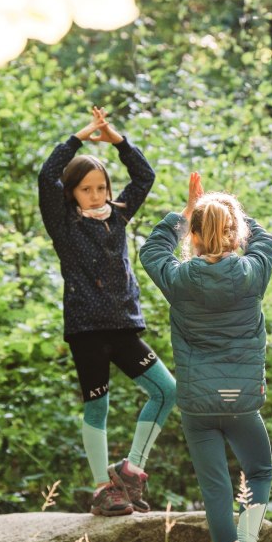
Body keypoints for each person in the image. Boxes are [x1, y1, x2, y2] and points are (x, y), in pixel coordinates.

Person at [139, 174, 272, 542]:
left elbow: (150, 249)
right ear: (236, 233)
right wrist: (227, 212)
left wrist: (187, 212)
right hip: (242, 401)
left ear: (194, 237)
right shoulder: (253, 274)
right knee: (258, 471)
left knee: (216, 491)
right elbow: (264, 238)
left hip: (197, 404)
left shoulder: (178, 279)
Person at [38, 106, 175, 516]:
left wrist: (117, 140)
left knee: (167, 390)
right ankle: (102, 488)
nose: (95, 195)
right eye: (86, 189)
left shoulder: (117, 217)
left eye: (101, 188)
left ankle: (130, 470)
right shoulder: (63, 225)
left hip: (123, 326)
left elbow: (144, 177)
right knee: (98, 405)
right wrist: (78, 138)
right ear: (71, 193)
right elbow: (46, 176)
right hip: (87, 328)